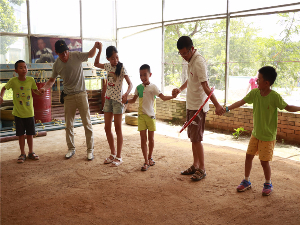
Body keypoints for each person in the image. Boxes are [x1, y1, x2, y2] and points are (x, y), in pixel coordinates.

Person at [223, 66, 300, 196]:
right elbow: (241, 102)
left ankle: (268, 183)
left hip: (268, 136)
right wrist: (227, 108)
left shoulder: (274, 96)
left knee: (264, 162)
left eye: (258, 79)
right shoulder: (255, 93)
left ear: (267, 83)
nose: (256, 81)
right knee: (248, 156)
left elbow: (288, 107)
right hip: (256, 134)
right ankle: (246, 181)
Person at [172, 36, 224, 181]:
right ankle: (195, 165)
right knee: (193, 138)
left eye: (185, 54)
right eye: (181, 54)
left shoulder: (199, 62)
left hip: (198, 107)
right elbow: (190, 79)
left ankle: (202, 168)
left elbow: (206, 87)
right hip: (191, 104)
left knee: (197, 139)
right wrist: (180, 90)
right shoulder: (190, 60)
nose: (183, 57)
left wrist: (218, 105)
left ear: (192, 49)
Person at [40, 40, 98, 161]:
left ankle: (90, 150)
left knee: (87, 123)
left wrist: (95, 46)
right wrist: (44, 88)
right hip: (68, 97)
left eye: (66, 51)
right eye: (61, 53)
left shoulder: (76, 55)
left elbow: (90, 55)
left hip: (81, 94)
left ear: (68, 50)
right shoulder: (56, 65)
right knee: (68, 125)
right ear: (57, 53)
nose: (65, 55)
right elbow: (51, 80)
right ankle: (71, 149)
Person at [127, 64, 175, 171]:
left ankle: (150, 157)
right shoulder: (138, 88)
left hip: (151, 117)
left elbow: (162, 97)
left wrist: (173, 96)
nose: (143, 77)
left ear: (150, 74)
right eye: (141, 75)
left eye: (145, 75)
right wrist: (125, 100)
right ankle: (145, 161)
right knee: (143, 139)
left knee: (151, 139)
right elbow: (133, 100)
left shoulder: (153, 87)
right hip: (141, 117)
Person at [94, 43, 133, 167]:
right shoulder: (107, 66)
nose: (115, 60)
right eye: (112, 58)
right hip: (108, 100)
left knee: (118, 128)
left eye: (117, 57)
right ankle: (112, 153)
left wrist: (126, 94)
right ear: (108, 59)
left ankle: (119, 157)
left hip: (117, 101)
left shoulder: (121, 68)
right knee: (107, 128)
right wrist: (99, 50)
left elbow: (130, 84)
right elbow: (95, 64)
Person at [0, 60, 41, 163]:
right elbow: (4, 88)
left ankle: (31, 152)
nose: (24, 69)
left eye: (25, 67)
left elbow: (35, 91)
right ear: (16, 70)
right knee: (21, 134)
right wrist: (1, 96)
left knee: (30, 134)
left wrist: (40, 92)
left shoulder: (31, 80)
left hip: (29, 112)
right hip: (18, 113)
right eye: (21, 67)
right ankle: (22, 153)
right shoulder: (13, 81)